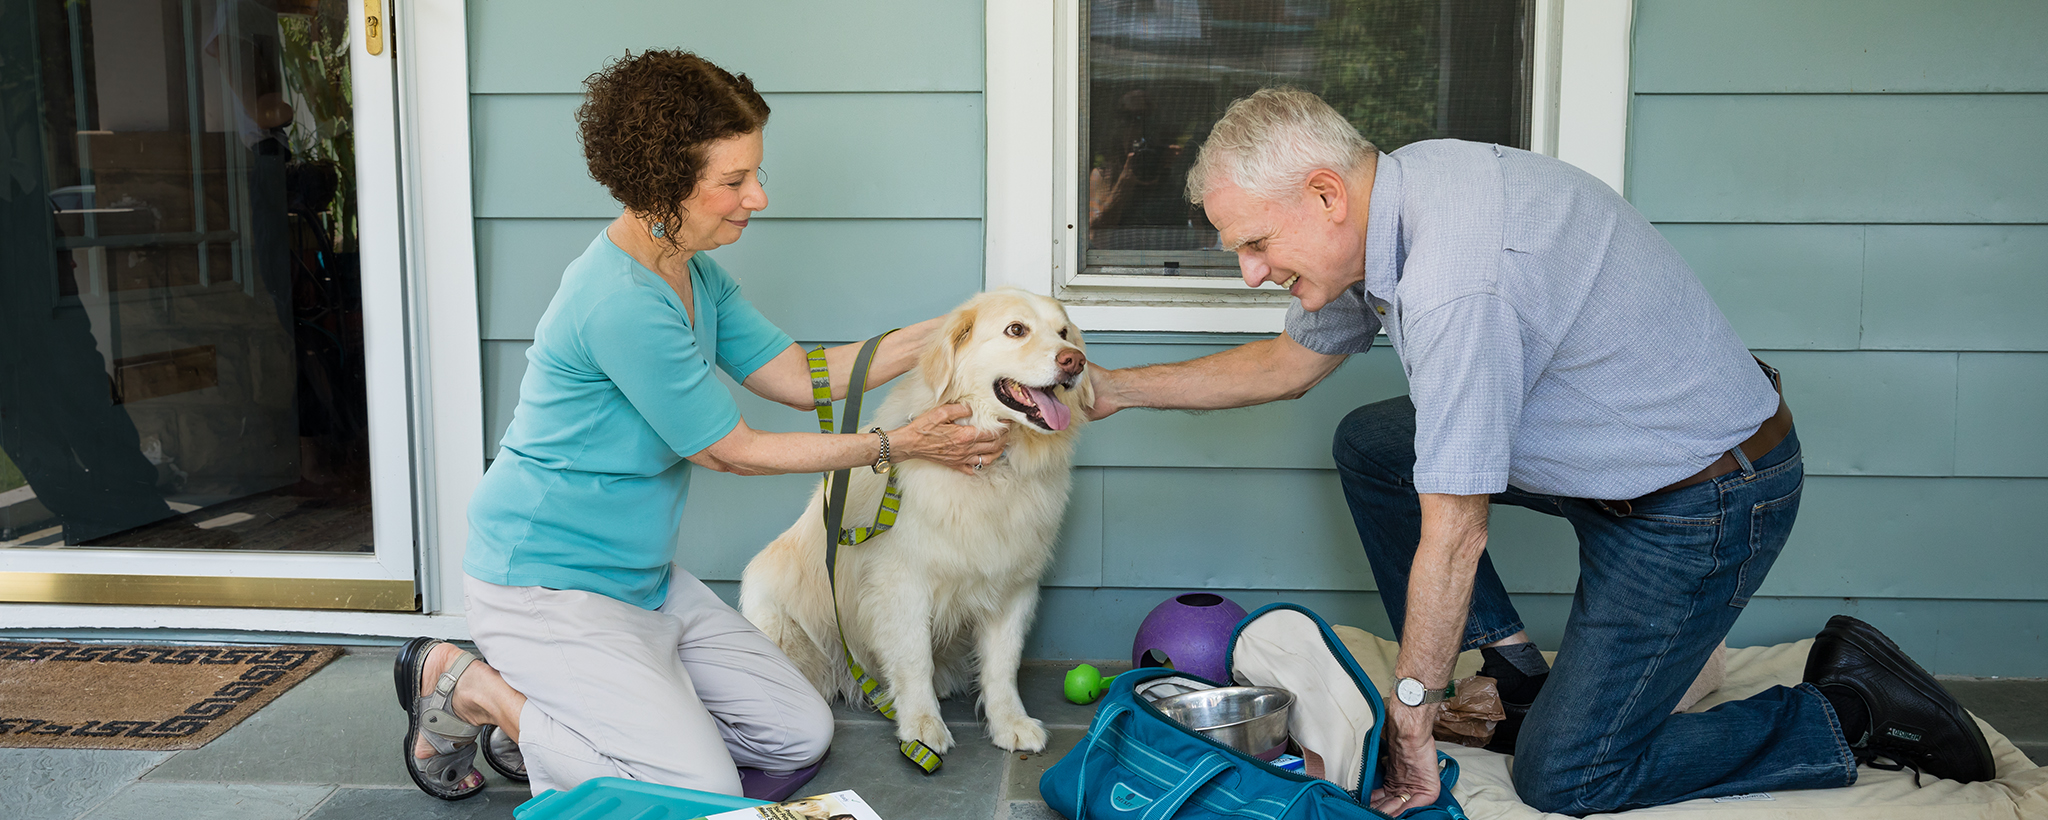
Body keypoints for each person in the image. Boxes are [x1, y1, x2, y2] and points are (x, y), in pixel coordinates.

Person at [1085, 88, 1995, 816]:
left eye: (1254, 243)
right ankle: (1515, 671)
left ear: (1324, 195)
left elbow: (1454, 532)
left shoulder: (1456, 280)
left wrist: (1413, 725)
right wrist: (1113, 389)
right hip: (1615, 458)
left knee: (1569, 774)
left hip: (1702, 501)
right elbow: (1290, 363)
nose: (1250, 270)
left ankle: (1854, 709)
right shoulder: (1393, 193)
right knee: (1376, 442)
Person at [392, 51, 1007, 802]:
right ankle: (472, 689)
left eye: (756, 173)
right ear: (662, 183)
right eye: (734, 181)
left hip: (643, 582)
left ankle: (593, 711)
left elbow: (798, 374)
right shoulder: (619, 299)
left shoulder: (692, 268)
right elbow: (731, 452)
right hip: (547, 585)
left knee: (799, 733)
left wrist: (968, 325)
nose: (759, 196)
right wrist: (897, 445)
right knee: (694, 787)